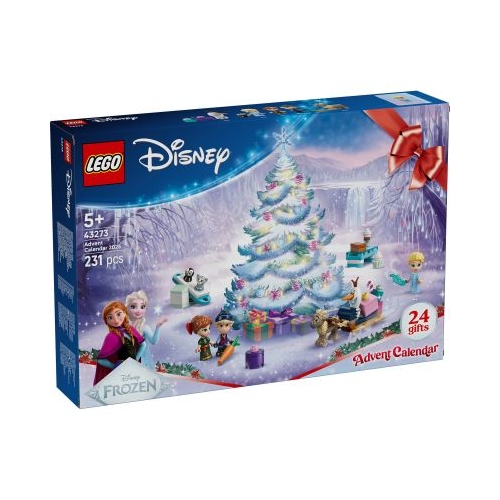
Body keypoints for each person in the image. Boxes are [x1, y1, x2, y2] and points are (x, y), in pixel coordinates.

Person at [93, 301, 145, 385]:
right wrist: (115, 366)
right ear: (106, 321)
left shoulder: (131, 329)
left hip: (133, 367)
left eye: (118, 314)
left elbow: (143, 345)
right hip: (120, 368)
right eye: (110, 317)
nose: (116, 320)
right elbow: (100, 359)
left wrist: (135, 360)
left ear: (124, 313)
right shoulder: (111, 336)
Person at [126, 290, 168, 370]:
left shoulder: (145, 327)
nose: (138, 310)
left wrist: (158, 326)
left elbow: (154, 341)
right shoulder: (126, 327)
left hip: (142, 361)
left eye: (142, 307)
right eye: (133, 306)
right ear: (127, 308)